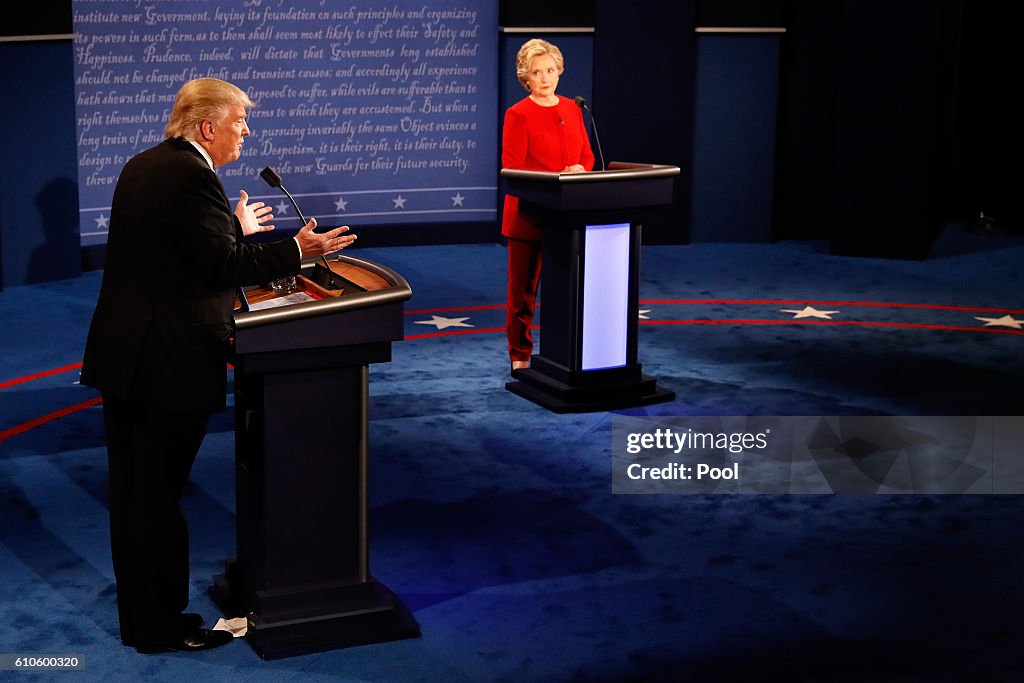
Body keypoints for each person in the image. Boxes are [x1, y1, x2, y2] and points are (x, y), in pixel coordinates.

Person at [80, 78, 357, 654]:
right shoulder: (192, 175)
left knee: (136, 498)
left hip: (125, 358)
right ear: (208, 125)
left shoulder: (147, 164)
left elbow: (174, 251)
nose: (246, 131)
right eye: (239, 122)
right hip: (165, 364)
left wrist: (235, 227)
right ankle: (159, 627)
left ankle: (145, 619)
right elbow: (217, 267)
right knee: (155, 501)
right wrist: (300, 252)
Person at [501, 38, 595, 372]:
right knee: (523, 293)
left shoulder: (573, 108)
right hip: (528, 217)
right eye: (537, 72)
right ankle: (520, 354)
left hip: (567, 216)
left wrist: (580, 169)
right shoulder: (518, 114)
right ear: (526, 77)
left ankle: (565, 352)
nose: (545, 78)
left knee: (566, 289)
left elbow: (586, 155)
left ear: (560, 72)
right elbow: (513, 168)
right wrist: (557, 175)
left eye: (551, 70)